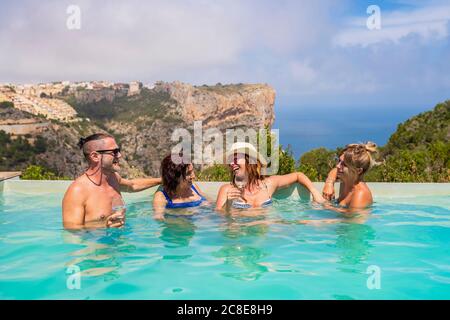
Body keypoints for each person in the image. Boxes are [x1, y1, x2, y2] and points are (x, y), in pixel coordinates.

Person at [62, 133, 161, 229]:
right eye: (114, 152)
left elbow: (132, 185)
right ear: (95, 156)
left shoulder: (113, 178)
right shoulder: (77, 191)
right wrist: (104, 227)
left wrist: (162, 180)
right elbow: (72, 232)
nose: (119, 155)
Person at [216, 142, 325, 211]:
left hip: (265, 238)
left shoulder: (268, 184)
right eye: (230, 161)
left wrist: (315, 193)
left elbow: (298, 175)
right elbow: (219, 220)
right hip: (240, 238)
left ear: (251, 161)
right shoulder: (227, 190)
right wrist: (228, 206)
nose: (231, 163)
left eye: (235, 159)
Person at [322, 142, 379, 210]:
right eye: (339, 161)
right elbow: (335, 170)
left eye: (344, 164)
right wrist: (329, 183)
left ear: (358, 171)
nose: (338, 166)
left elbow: (351, 219)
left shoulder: (360, 195)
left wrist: (328, 207)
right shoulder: (348, 181)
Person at [153, 154, 207, 220]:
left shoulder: (194, 186)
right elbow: (159, 217)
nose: (193, 176)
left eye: (192, 171)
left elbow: (209, 202)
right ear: (175, 177)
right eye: (188, 173)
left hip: (194, 226)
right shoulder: (162, 197)